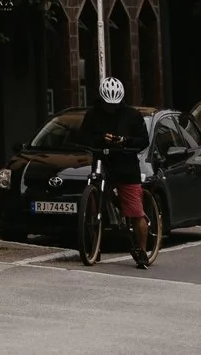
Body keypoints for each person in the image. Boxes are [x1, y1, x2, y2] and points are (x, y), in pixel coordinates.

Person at [76, 75, 153, 266]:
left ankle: (142, 251)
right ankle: (95, 245)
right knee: (94, 202)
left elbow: (143, 140)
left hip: (126, 166)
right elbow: (83, 137)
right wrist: (100, 140)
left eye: (115, 104)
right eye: (108, 104)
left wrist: (125, 141)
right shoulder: (93, 115)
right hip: (102, 161)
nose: (111, 107)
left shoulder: (132, 116)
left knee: (135, 211)